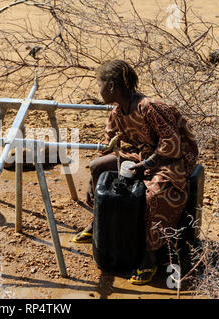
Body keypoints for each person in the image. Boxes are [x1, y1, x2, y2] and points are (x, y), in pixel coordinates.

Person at [72, 60, 199, 285]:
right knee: (97, 166)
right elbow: (107, 142)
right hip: (135, 158)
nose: (98, 90)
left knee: (154, 196)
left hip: (168, 162)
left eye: (99, 84)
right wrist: (103, 161)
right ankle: (98, 222)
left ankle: (150, 257)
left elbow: (172, 143)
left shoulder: (148, 107)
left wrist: (145, 165)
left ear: (111, 86)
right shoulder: (118, 111)